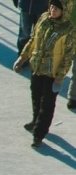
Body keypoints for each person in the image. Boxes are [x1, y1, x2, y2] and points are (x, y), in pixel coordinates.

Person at [14, 0, 76, 148]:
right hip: (38, 68)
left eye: (56, 8)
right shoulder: (43, 19)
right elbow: (33, 41)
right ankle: (35, 120)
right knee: (35, 96)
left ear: (63, 11)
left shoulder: (68, 29)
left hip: (52, 73)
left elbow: (67, 57)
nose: (53, 10)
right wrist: (22, 58)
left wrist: (60, 77)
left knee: (47, 104)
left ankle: (39, 133)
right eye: (52, 7)